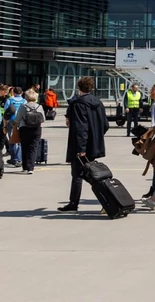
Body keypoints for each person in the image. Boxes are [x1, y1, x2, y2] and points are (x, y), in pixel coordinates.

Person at [58, 77, 110, 212]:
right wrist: (96, 138)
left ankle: (74, 203)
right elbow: (105, 124)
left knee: (78, 175)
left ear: (79, 87)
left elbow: (81, 128)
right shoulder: (98, 102)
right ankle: (107, 199)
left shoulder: (78, 104)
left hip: (81, 146)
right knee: (91, 174)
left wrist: (81, 148)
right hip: (94, 144)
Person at [13, 89, 44, 174]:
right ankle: (31, 168)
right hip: (36, 129)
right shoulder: (39, 106)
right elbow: (43, 119)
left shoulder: (23, 106)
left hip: (25, 129)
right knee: (33, 148)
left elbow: (18, 119)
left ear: (26, 97)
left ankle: (25, 167)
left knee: (25, 147)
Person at [3, 87, 26, 167]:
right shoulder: (24, 101)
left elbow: (5, 114)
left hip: (11, 122)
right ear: (22, 93)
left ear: (13, 93)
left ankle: (14, 159)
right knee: (20, 141)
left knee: (12, 140)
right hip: (21, 122)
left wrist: (4, 126)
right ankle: (19, 159)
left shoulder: (9, 100)